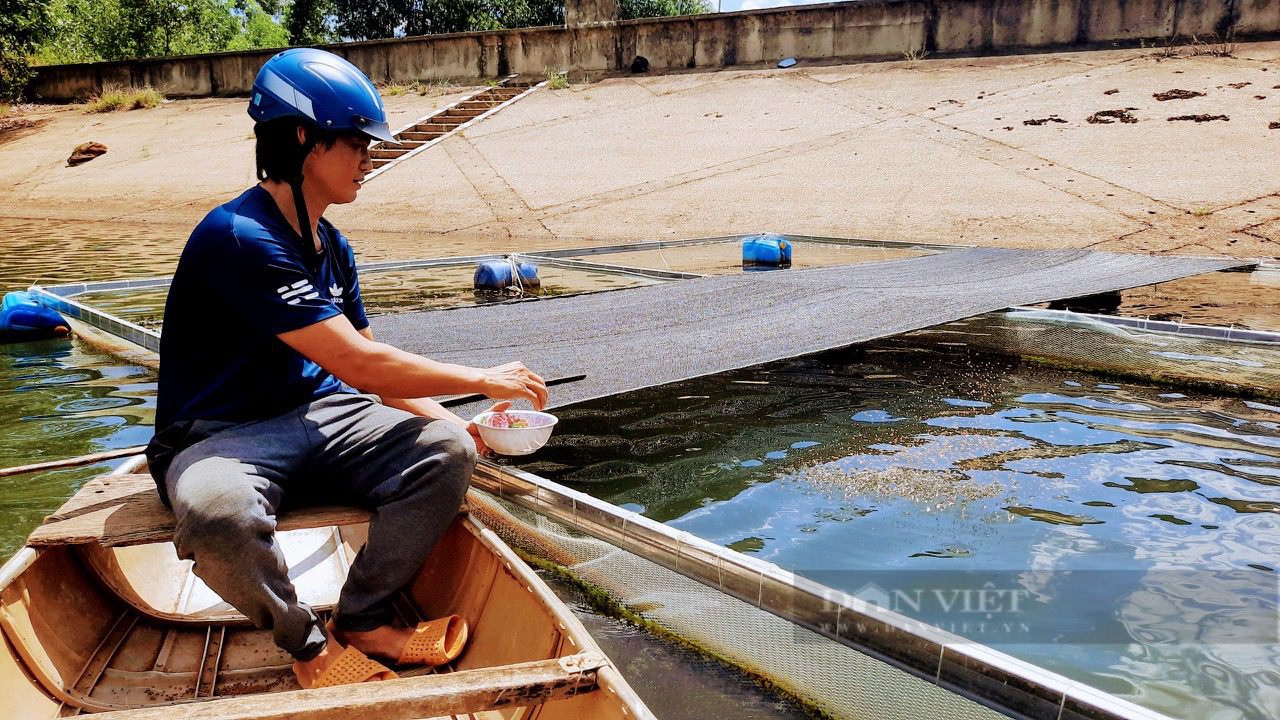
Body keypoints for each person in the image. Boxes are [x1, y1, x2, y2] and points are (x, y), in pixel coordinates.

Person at [145, 48, 548, 689]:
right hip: (218, 434)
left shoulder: (330, 244)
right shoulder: (241, 238)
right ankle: (309, 648)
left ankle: (363, 618)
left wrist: (459, 427)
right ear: (304, 138)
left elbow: (365, 374)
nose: (370, 157)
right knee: (219, 514)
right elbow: (358, 359)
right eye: (357, 142)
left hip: (322, 415)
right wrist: (484, 378)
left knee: (444, 451)